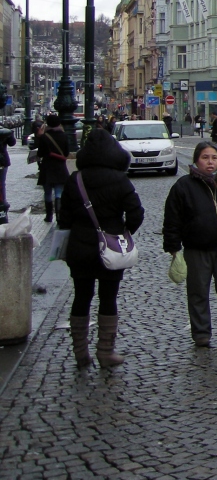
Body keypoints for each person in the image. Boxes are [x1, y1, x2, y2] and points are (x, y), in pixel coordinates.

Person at [57, 128, 144, 368]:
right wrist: (124, 231)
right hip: (111, 247)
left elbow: (63, 218)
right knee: (108, 297)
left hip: (80, 247)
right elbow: (136, 212)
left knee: (81, 296)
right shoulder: (120, 180)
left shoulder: (75, 179)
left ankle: (80, 353)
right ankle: (106, 352)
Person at [163, 142, 217, 347]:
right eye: (205, 158)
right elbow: (172, 219)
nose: (210, 162)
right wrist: (173, 247)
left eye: (214, 158)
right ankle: (201, 333)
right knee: (198, 292)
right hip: (197, 249)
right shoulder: (183, 186)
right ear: (196, 160)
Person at [36, 114, 70, 224]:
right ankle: (59, 216)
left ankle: (49, 216)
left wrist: (39, 137)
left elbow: (40, 153)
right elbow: (66, 153)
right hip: (60, 167)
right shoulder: (64, 136)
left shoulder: (44, 137)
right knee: (59, 192)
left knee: (47, 193)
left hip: (47, 167)